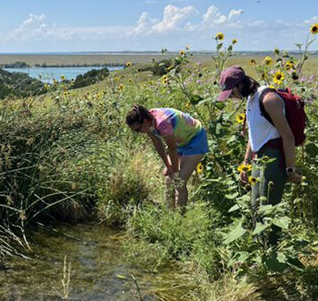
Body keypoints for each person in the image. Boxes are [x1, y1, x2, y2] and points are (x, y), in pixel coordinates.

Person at [216, 66, 302, 210]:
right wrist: (245, 163)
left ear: (241, 85)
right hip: (258, 157)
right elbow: (253, 134)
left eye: (231, 93)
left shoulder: (269, 100)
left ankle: (274, 234)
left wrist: (290, 170)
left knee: (269, 209)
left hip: (273, 157)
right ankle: (261, 233)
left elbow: (288, 137)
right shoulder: (251, 99)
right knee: (255, 207)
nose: (231, 97)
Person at [126, 105, 209, 209]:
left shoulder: (162, 123)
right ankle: (170, 213)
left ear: (145, 121)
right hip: (180, 142)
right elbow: (157, 142)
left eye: (138, 129)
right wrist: (168, 166)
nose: (139, 132)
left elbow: (172, 149)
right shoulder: (148, 122)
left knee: (179, 181)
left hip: (195, 140)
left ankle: (180, 219)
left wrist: (175, 171)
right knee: (168, 177)